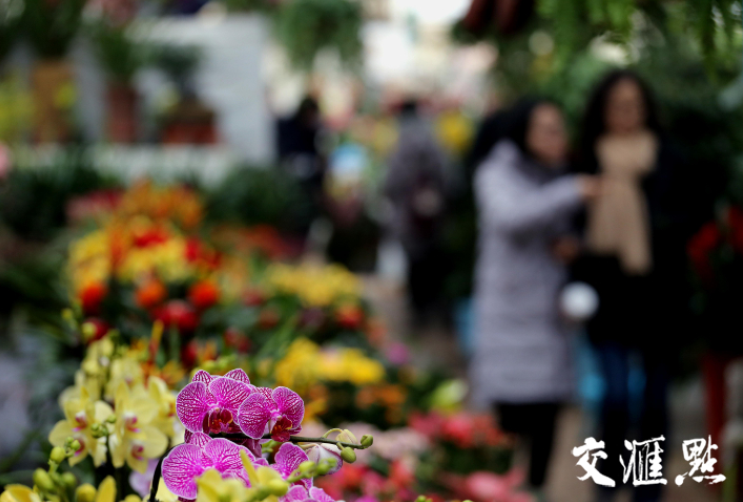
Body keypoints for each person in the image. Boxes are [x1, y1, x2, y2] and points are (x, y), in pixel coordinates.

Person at [469, 98, 600, 500]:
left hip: (549, 316)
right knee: (510, 420)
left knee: (548, 412)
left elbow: (561, 230)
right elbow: (512, 217)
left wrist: (571, 245)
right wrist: (572, 190)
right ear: (523, 133)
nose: (557, 138)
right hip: (509, 318)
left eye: (560, 128)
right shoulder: (497, 173)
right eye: (546, 129)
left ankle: (538, 490)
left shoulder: (557, 175)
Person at [573, 70, 690, 502]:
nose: (627, 113)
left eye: (634, 104)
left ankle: (646, 489)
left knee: (656, 400)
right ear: (603, 110)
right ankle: (607, 480)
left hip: (658, 296)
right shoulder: (586, 158)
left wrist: (651, 228)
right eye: (618, 104)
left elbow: (688, 218)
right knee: (617, 395)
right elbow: (571, 226)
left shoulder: (669, 157)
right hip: (607, 295)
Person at [384, 99, 449, 325]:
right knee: (431, 263)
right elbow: (449, 177)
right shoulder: (435, 136)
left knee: (414, 264)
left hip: (407, 217)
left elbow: (391, 182)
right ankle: (430, 309)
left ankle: (417, 312)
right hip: (434, 214)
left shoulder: (402, 141)